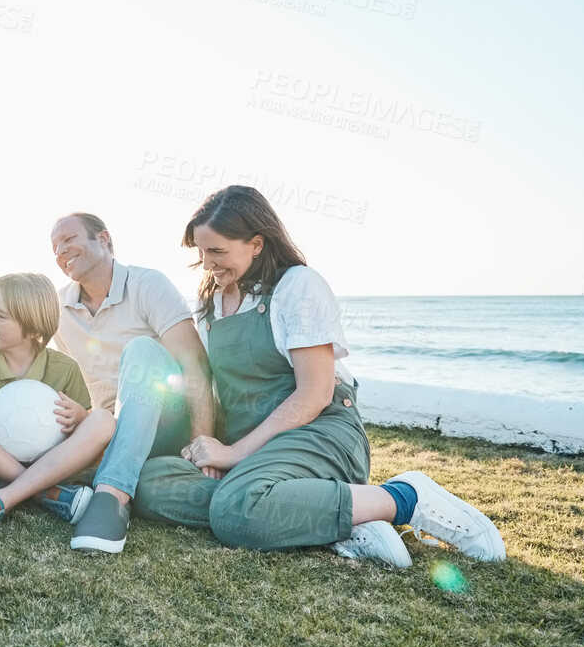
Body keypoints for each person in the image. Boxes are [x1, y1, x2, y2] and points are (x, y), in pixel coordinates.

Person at [134, 185, 506, 564]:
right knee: (150, 481)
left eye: (217, 252)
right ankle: (343, 514)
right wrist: (208, 447)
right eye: (201, 252)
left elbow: (313, 395)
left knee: (235, 511)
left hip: (318, 433)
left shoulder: (297, 286)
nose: (208, 263)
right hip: (253, 448)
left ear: (257, 244)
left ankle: (404, 497)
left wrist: (234, 453)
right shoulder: (210, 300)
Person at [49, 211, 215, 554]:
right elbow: (79, 387)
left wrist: (203, 444)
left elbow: (194, 364)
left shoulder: (147, 284)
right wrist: (85, 420)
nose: (60, 251)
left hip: (167, 419)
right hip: (107, 430)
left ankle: (112, 496)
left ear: (104, 239)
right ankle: (72, 485)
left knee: (141, 350)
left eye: (68, 240)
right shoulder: (59, 308)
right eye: (54, 247)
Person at [0, 273, 117, 541]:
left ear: (33, 329)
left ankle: (2, 500)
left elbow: (86, 430)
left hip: (54, 465)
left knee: (103, 419)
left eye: (0, 315)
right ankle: (45, 493)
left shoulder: (64, 368)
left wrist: (79, 416)